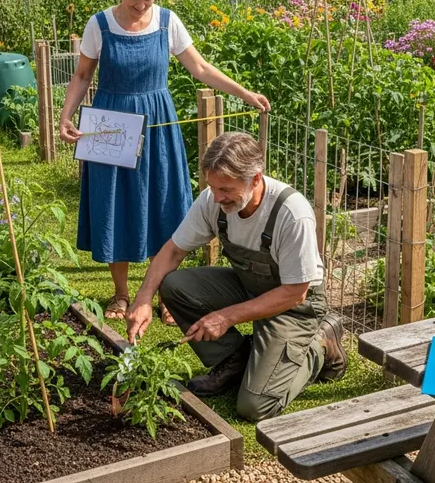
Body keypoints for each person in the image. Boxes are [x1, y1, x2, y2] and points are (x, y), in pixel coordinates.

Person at [59, 0, 270, 325]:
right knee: (115, 203)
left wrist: (245, 94)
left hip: (158, 122)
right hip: (112, 123)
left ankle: (166, 293)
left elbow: (200, 68)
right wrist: (65, 116)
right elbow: (81, 75)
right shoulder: (100, 24)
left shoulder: (168, 22)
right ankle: (122, 293)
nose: (141, 5)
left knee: (163, 202)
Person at [126, 132, 348, 422]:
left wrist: (226, 317)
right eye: (213, 187)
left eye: (226, 189)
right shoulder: (213, 200)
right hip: (249, 287)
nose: (217, 197)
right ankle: (234, 358)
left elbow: (296, 292)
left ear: (255, 179)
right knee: (174, 286)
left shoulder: (291, 213)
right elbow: (172, 251)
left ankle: (320, 345)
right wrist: (143, 299)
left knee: (255, 407)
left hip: (295, 307)